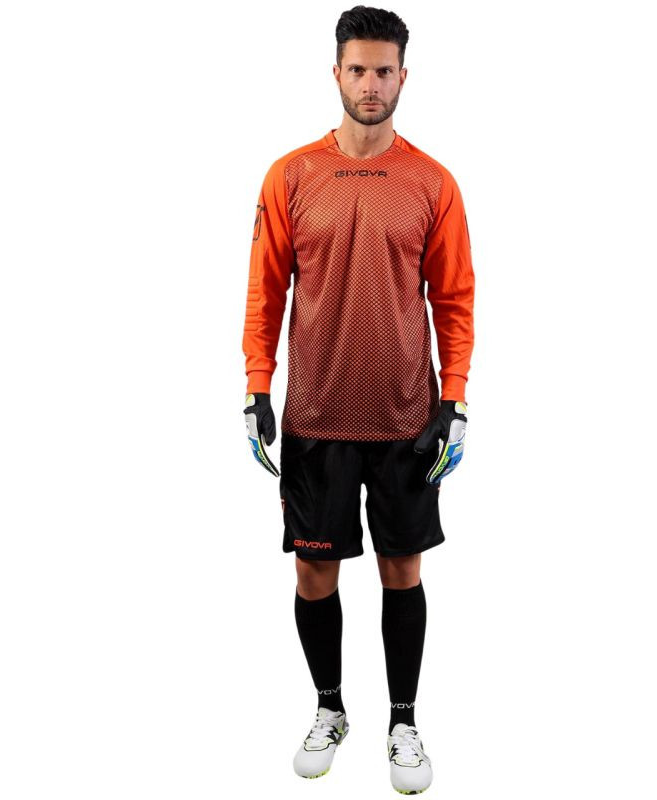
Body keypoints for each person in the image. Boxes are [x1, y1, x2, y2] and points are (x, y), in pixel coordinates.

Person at [242, 6, 474, 794]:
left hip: (406, 417)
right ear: (335, 73)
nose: (370, 84)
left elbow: (455, 300)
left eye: (383, 71)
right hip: (316, 418)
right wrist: (257, 386)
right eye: (357, 69)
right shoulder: (291, 176)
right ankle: (330, 708)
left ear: (403, 77)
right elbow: (265, 291)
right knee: (315, 576)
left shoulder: (432, 182)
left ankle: (403, 721)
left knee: (401, 570)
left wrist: (455, 400)